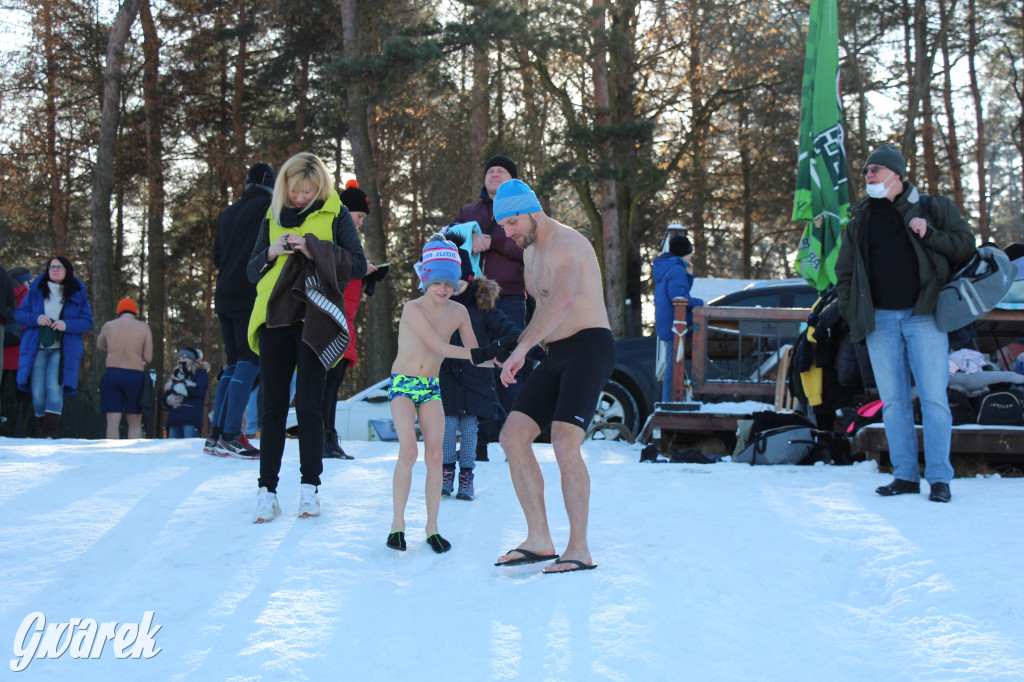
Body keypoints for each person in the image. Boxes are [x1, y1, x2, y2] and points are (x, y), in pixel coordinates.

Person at [835, 145, 976, 504]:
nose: (868, 174)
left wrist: (929, 233)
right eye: (866, 169)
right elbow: (846, 274)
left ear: (897, 174)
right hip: (880, 320)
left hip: (925, 316)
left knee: (933, 399)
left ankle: (940, 479)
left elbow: (966, 247)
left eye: (876, 169)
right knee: (894, 402)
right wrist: (855, 314)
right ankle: (905, 476)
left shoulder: (933, 208)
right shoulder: (860, 219)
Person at [490, 179, 614, 573]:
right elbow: (537, 312)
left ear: (531, 210)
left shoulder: (566, 244)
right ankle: (540, 539)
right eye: (503, 227)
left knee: (563, 441)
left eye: (511, 223)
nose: (508, 234)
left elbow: (561, 302)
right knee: (512, 437)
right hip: (555, 353)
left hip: (590, 347)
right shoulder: (530, 254)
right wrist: (518, 347)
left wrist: (522, 350)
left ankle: (579, 548)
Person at [246, 152, 367, 523]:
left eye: (309, 191)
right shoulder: (271, 214)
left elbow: (358, 264)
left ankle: (309, 489)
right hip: (273, 318)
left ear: (322, 187)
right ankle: (267, 492)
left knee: (311, 405)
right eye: (296, 190)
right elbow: (251, 270)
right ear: (285, 186)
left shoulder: (337, 213)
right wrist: (272, 251)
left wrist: (313, 248)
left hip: (315, 318)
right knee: (272, 409)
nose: (301, 198)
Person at [385, 234, 514, 553]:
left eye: (449, 282)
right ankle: (397, 526)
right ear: (425, 279)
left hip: (430, 388)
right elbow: (441, 347)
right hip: (403, 384)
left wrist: (503, 361)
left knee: (436, 455)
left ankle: (432, 529)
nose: (443, 288)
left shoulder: (459, 312)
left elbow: (475, 353)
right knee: (409, 452)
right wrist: (482, 353)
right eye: (437, 282)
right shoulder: (412, 308)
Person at [453, 155, 526, 459]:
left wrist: (493, 241)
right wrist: (467, 237)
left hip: (509, 299)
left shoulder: (524, 213)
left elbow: (528, 248)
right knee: (475, 367)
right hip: (471, 298)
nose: (494, 174)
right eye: (490, 171)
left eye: (502, 171)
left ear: (513, 180)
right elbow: (447, 240)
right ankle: (476, 445)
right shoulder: (470, 211)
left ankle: (515, 444)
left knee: (511, 365)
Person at [439, 246, 523, 502]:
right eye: (452, 283)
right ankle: (445, 474)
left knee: (469, 432)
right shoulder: (439, 305)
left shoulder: (483, 307)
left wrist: (517, 342)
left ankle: (466, 476)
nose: (455, 288)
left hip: (476, 379)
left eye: (461, 282)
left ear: (471, 278)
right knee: (446, 427)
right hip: (445, 378)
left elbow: (506, 329)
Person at [206, 162, 276, 459]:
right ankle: (232, 434)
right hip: (251, 293)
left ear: (247, 183)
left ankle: (215, 435)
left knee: (232, 363)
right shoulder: (268, 209)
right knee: (251, 360)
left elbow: (216, 256)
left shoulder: (228, 213)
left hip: (223, 295)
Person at [320, 179, 380, 460]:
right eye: (358, 217)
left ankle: (329, 438)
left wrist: (367, 276)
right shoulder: (333, 238)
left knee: (334, 384)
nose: (359, 223)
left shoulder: (347, 241)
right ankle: (323, 438)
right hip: (332, 322)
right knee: (326, 385)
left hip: (346, 323)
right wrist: (359, 270)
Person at [16, 256, 94, 438]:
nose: (55, 270)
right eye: (51, 267)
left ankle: (49, 434)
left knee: (53, 387)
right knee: (37, 393)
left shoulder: (77, 292)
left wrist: (66, 324)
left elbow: (86, 322)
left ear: (67, 270)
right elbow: (20, 314)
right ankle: (45, 429)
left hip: (62, 350)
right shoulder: (35, 290)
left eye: (59, 267)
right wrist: (36, 319)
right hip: (37, 348)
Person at [652, 234, 704, 402]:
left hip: (667, 320)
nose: (691, 256)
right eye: (690, 252)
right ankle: (669, 401)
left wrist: (689, 276)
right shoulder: (676, 269)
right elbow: (679, 298)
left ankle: (671, 400)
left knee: (674, 361)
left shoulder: (669, 267)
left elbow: (679, 292)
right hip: (675, 323)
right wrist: (702, 303)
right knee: (674, 363)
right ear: (685, 252)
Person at [96, 297, 153, 439]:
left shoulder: (109, 325)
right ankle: (132, 454)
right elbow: (148, 357)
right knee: (134, 421)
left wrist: (113, 349)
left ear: (119, 311)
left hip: (112, 373)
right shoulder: (143, 327)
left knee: (112, 420)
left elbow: (100, 345)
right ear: (135, 312)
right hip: (135, 375)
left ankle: (112, 453)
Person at [1, 268, 31, 436]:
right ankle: (20, 430)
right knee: (23, 393)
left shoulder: (3, 291)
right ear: (23, 281)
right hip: (20, 351)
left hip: (3, 349)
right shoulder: (27, 295)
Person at [163, 347, 209, 438]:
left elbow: (198, 391)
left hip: (191, 419)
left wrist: (173, 387)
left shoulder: (201, 374)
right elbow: (165, 392)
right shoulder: (176, 374)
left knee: (188, 448)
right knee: (172, 449)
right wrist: (168, 401)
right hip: (174, 419)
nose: (181, 361)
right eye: (179, 358)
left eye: (184, 358)